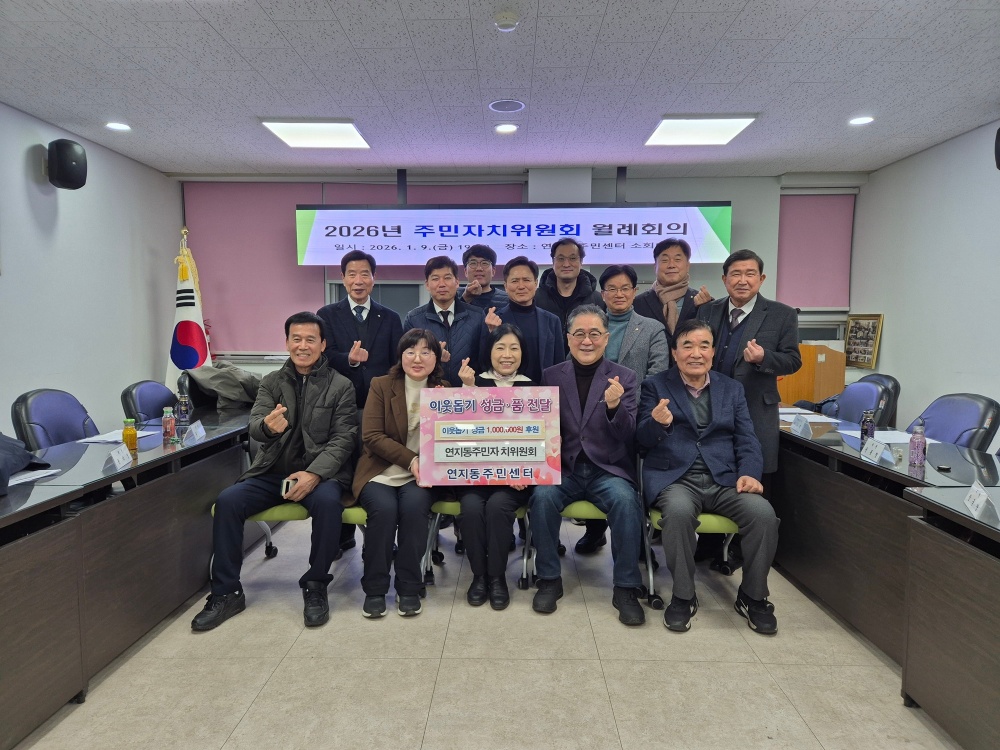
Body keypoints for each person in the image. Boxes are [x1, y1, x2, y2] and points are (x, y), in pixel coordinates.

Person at [192, 312, 357, 632]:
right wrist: (267, 428)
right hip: (273, 472)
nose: (303, 346)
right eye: (296, 339)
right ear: (287, 343)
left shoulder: (341, 385)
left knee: (328, 503)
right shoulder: (271, 382)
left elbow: (344, 439)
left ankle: (316, 585)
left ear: (323, 344)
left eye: (310, 339)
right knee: (228, 501)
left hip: (319, 474)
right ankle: (226, 592)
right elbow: (255, 426)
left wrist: (314, 474)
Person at [637, 319, 779, 634]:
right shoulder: (655, 386)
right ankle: (683, 596)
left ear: (713, 352)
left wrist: (749, 473)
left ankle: (753, 596)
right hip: (676, 478)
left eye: (704, 345)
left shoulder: (732, 389)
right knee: (677, 513)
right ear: (674, 353)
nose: (696, 353)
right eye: (687, 345)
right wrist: (657, 423)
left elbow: (747, 438)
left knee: (763, 515)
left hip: (725, 479)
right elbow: (641, 441)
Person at [529, 305, 646, 626]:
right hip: (564, 469)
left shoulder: (625, 377)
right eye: (579, 333)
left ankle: (626, 587)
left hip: (606, 469)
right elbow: (540, 427)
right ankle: (549, 579)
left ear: (606, 338)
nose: (587, 340)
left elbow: (629, 435)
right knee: (541, 498)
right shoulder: (551, 375)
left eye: (594, 333)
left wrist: (614, 407)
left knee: (626, 502)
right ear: (568, 338)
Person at [576, 264, 670, 555]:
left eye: (625, 288)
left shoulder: (652, 328)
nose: (619, 294)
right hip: (589, 418)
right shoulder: (588, 326)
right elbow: (573, 365)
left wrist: (625, 404)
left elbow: (657, 375)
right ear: (602, 294)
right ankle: (595, 532)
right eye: (612, 289)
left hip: (635, 416)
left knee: (629, 482)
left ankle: (637, 542)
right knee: (593, 468)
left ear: (634, 291)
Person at [353, 329, 447, 618]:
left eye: (426, 352)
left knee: (414, 510)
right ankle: (375, 589)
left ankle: (409, 586)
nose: (418, 358)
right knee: (383, 511)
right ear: (400, 356)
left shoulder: (444, 389)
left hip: (421, 476)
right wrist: (411, 460)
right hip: (380, 470)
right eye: (411, 352)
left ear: (436, 358)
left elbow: (453, 439)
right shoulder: (381, 385)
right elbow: (372, 436)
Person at [317, 249, 403, 552]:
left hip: (380, 408)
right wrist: (350, 360)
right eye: (352, 274)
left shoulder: (390, 317)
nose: (358, 280)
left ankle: (377, 537)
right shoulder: (327, 315)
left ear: (373, 278)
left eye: (364, 274)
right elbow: (322, 356)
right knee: (344, 467)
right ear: (342, 278)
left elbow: (397, 362)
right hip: (341, 405)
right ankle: (343, 535)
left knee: (376, 469)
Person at [696, 249, 802, 476]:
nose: (742, 280)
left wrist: (764, 358)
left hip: (756, 408)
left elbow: (793, 361)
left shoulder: (782, 314)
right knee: (711, 471)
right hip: (710, 408)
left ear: (761, 279)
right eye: (735, 274)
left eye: (750, 274)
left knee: (755, 475)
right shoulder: (707, 311)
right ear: (724, 279)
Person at [456, 324, 535, 610]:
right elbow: (459, 435)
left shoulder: (534, 388)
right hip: (476, 476)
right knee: (471, 508)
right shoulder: (474, 383)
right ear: (489, 352)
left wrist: (521, 469)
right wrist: (467, 390)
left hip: (515, 481)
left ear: (523, 353)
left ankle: (497, 576)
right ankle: (479, 576)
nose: (507, 355)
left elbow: (539, 439)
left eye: (514, 348)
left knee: (498, 507)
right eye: (500, 347)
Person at [402, 256, 494, 387]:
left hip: (468, 391)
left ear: (457, 282)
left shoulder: (477, 316)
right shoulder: (414, 319)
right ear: (427, 284)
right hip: (430, 391)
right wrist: (432, 358)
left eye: (447, 278)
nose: (442, 284)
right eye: (435, 279)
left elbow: (485, 360)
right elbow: (406, 362)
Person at [490, 256, 565, 384]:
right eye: (515, 281)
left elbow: (559, 365)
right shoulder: (494, 320)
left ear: (536, 283)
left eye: (526, 280)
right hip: (504, 392)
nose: (521, 286)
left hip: (543, 392)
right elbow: (483, 363)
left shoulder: (552, 321)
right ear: (505, 286)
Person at [633, 238, 713, 352]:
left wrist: (706, 309)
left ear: (687, 265)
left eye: (677, 259)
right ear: (655, 266)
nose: (671, 265)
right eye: (665, 260)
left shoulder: (703, 301)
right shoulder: (638, 303)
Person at [533, 237, 604, 327]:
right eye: (561, 259)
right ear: (553, 262)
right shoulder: (536, 298)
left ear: (581, 262)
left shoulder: (597, 299)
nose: (566, 264)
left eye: (572, 258)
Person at [459, 244, 509, 311]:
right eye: (473, 263)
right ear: (465, 272)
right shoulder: (453, 296)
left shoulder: (507, 300)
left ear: (493, 271)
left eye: (484, 263)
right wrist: (465, 298)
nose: (479, 268)